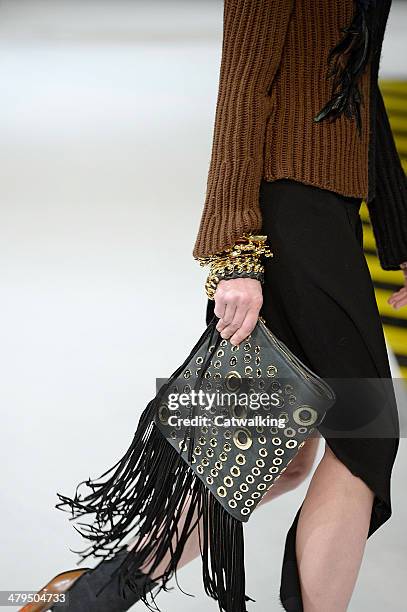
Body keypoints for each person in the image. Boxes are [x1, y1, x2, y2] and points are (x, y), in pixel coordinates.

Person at [22, 1, 407, 611]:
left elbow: (354, 84)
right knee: (364, 438)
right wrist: (234, 254)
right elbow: (242, 86)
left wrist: (402, 238)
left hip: (323, 209)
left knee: (271, 455)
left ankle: (90, 599)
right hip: (287, 213)